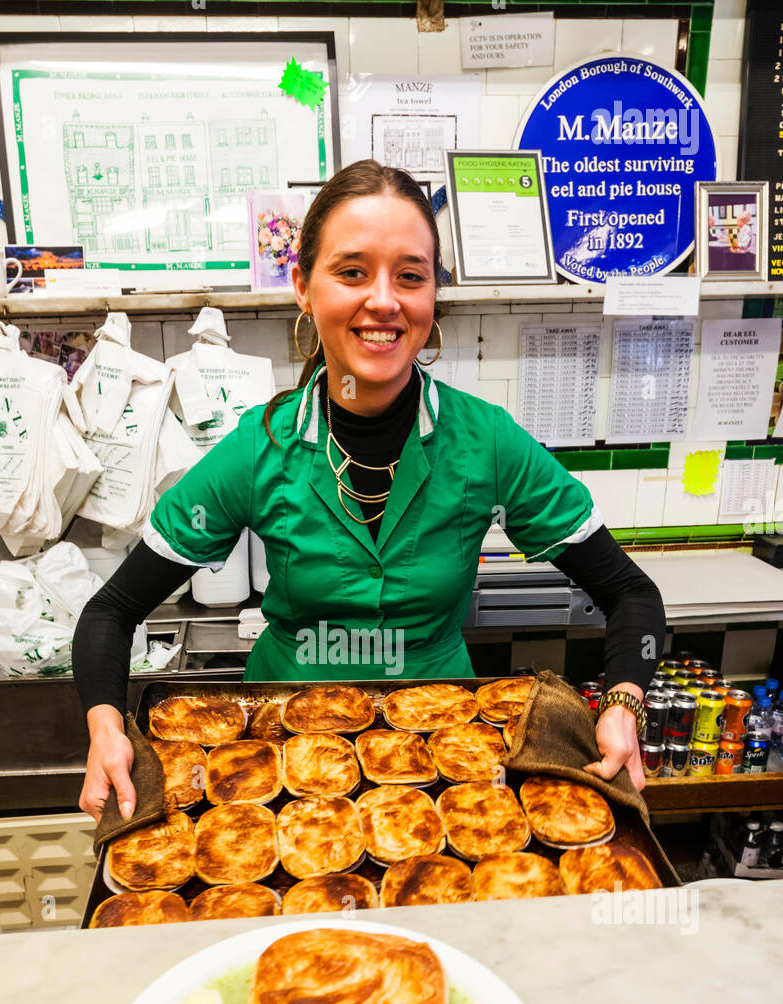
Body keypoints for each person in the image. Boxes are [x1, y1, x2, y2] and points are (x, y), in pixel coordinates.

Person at [73, 159, 665, 822]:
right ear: (303, 286)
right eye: (352, 271)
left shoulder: (486, 442)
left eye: (409, 276)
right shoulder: (260, 447)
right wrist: (105, 727)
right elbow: (110, 613)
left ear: (431, 295)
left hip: (447, 764)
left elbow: (630, 594)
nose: (383, 300)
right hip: (277, 766)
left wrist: (622, 704)